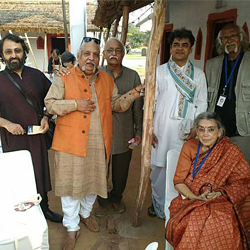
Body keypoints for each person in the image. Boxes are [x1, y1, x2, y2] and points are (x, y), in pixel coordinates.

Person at [44, 37, 143, 250]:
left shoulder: (107, 80)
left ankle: (86, 213)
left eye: (96, 54)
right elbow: (50, 105)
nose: (91, 58)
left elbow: (116, 104)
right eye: (87, 54)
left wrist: (135, 93)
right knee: (71, 187)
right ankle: (72, 227)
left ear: (100, 58)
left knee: (92, 182)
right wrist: (75, 104)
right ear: (78, 57)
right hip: (70, 143)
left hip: (98, 142)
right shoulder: (64, 77)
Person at [0, 33, 62, 223]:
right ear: (2, 56)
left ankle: (44, 210)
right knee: (19, 175)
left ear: (24, 52)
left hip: (36, 136)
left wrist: (46, 117)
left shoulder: (36, 76)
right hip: (13, 138)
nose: (13, 55)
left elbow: (52, 100)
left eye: (17, 50)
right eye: (8, 52)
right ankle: (24, 216)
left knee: (39, 171)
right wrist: (7, 124)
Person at [166, 111, 250, 250]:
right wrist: (196, 197)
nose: (205, 134)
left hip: (220, 199)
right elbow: (179, 181)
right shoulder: (190, 147)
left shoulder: (230, 150)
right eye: (201, 129)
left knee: (224, 221)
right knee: (193, 221)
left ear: (219, 132)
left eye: (211, 129)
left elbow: (243, 181)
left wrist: (219, 193)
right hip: (190, 199)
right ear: (197, 132)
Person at [149, 28, 207, 219]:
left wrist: (197, 130)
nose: (180, 48)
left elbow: (201, 103)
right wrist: (149, 129)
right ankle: (158, 203)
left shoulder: (198, 74)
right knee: (158, 167)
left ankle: (176, 206)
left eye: (184, 45)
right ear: (170, 48)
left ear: (191, 48)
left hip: (186, 130)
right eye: (176, 44)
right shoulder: (159, 72)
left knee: (181, 168)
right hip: (161, 127)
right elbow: (150, 103)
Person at [96, 37, 143, 216]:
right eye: (110, 50)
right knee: (101, 171)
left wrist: (138, 131)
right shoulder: (97, 74)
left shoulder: (133, 76)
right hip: (101, 133)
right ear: (104, 54)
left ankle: (116, 198)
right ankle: (102, 201)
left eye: (118, 50)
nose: (114, 54)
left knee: (121, 172)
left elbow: (138, 108)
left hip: (124, 132)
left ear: (123, 54)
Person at [206, 24, 250, 165]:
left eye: (233, 36)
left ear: (241, 38)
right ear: (220, 42)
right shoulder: (212, 65)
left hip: (242, 129)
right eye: (224, 38)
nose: (229, 40)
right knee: (216, 170)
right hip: (216, 131)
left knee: (241, 172)